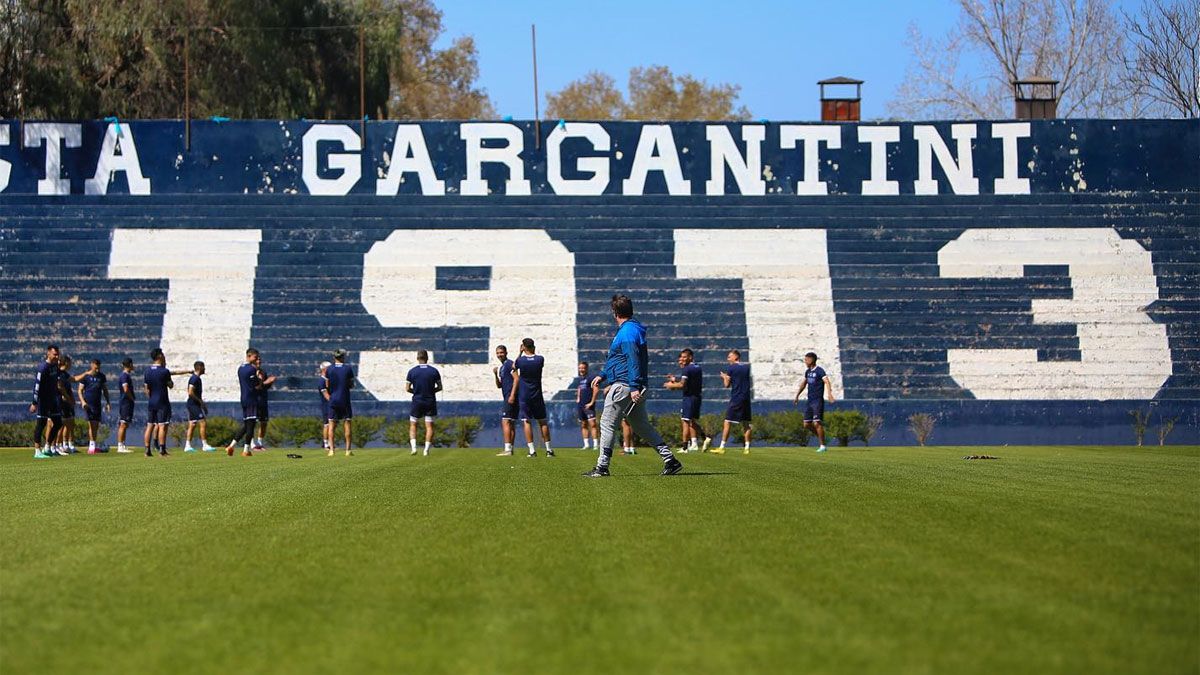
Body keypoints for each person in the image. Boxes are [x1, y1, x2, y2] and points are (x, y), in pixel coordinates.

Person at [583, 294, 682, 477]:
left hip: (624, 385)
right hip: (632, 384)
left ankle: (602, 467)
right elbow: (618, 359)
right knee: (642, 425)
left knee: (606, 423)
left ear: (615, 312)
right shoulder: (631, 329)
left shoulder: (627, 332)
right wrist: (603, 375)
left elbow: (632, 359)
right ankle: (670, 460)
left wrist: (634, 385)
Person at [508, 338, 552, 458]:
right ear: (533, 347)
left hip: (524, 395)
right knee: (542, 421)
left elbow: (513, 366)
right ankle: (549, 450)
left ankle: (532, 451)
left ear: (523, 347)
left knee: (526, 421)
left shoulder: (521, 361)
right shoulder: (540, 359)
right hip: (537, 394)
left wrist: (520, 352)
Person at [664, 348, 710, 454]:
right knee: (692, 422)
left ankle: (685, 447)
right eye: (681, 357)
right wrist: (675, 381)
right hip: (697, 397)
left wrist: (671, 385)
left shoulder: (687, 369)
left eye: (684, 357)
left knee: (685, 421)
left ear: (690, 357)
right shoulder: (697, 367)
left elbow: (682, 385)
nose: (682, 359)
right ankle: (704, 438)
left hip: (689, 398)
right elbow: (689, 383)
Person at [793, 352, 836, 453]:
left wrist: (829, 394)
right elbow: (804, 384)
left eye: (806, 359)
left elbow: (827, 381)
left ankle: (823, 446)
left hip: (817, 401)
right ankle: (825, 438)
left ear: (812, 360)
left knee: (817, 423)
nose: (805, 361)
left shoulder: (819, 371)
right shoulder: (807, 372)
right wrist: (797, 395)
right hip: (810, 401)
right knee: (806, 424)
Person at [29, 344, 63, 459]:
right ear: (48, 353)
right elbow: (37, 385)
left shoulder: (55, 366)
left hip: (53, 399)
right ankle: (37, 451)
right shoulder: (43, 368)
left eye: (58, 354)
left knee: (58, 423)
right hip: (43, 400)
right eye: (55, 354)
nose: (57, 356)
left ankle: (47, 447)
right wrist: (34, 402)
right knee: (41, 424)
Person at [716, 349, 753, 455]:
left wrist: (724, 377)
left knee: (727, 421)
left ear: (735, 357)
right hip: (746, 398)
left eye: (729, 357)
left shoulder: (731, 368)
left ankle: (722, 447)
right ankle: (747, 448)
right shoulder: (746, 367)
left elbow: (727, 385)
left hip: (736, 397)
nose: (728, 359)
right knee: (746, 423)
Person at [406, 350, 442, 456]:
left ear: (417, 358)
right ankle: (426, 450)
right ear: (427, 358)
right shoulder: (434, 371)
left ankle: (414, 448)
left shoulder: (412, 371)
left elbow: (407, 388)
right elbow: (440, 387)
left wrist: (417, 392)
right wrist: (430, 391)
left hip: (417, 400)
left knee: (413, 424)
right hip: (430, 400)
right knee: (429, 426)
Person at [226, 348, 261, 457]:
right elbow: (257, 384)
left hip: (244, 398)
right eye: (255, 357)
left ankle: (231, 446)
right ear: (249, 356)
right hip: (251, 399)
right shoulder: (251, 369)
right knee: (251, 425)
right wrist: (259, 378)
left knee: (246, 425)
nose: (256, 360)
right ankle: (246, 450)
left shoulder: (240, 368)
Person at [143, 348, 175, 457]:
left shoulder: (147, 371)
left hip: (151, 401)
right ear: (160, 356)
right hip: (162, 401)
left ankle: (147, 450)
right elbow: (170, 385)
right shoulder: (164, 371)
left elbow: (146, 389)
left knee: (150, 425)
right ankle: (162, 449)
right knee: (162, 426)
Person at [76, 359, 111, 454]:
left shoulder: (101, 376)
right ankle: (91, 447)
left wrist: (108, 402)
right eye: (96, 367)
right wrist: (83, 402)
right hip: (88, 404)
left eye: (98, 367)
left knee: (96, 424)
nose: (97, 369)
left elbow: (105, 390)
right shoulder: (86, 377)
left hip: (97, 403)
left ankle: (93, 445)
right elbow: (80, 390)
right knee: (91, 424)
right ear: (92, 365)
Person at [325, 348, 355, 457]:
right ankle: (348, 450)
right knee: (347, 423)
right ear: (343, 357)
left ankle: (331, 450)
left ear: (334, 357)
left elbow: (327, 385)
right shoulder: (348, 369)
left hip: (333, 399)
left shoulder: (329, 369)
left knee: (331, 424)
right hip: (345, 399)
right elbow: (351, 384)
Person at [184, 361, 215, 452]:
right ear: (200, 367)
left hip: (194, 404)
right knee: (203, 422)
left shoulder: (197, 378)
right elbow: (190, 392)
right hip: (193, 404)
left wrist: (201, 403)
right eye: (203, 367)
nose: (204, 369)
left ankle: (187, 445)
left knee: (192, 424)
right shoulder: (194, 378)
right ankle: (204, 445)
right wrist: (200, 401)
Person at [493, 345, 518, 456]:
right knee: (510, 423)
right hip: (507, 396)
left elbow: (517, 379)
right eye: (498, 353)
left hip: (510, 397)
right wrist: (495, 374)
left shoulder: (509, 364)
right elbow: (499, 385)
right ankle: (510, 449)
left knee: (506, 421)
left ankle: (507, 449)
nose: (499, 355)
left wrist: (512, 395)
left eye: (501, 352)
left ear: (506, 352)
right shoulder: (502, 367)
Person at [572, 361, 600, 450]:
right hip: (581, 405)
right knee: (583, 424)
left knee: (593, 424)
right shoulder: (580, 379)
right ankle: (586, 444)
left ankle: (596, 444)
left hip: (589, 405)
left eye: (583, 368)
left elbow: (596, 389)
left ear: (587, 368)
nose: (581, 369)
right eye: (580, 368)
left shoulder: (591, 377)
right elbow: (579, 388)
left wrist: (592, 402)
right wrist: (578, 398)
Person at [253, 355, 277, 451]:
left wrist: (270, 382)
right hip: (254, 400)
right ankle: (251, 444)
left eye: (260, 360)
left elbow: (264, 387)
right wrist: (267, 382)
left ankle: (259, 443)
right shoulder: (251, 372)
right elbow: (256, 387)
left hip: (263, 400)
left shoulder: (263, 372)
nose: (259, 361)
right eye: (257, 359)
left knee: (264, 422)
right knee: (252, 423)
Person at [56, 355, 78, 454]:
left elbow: (74, 380)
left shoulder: (65, 374)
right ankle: (58, 445)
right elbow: (60, 387)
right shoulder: (60, 374)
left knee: (69, 423)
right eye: (69, 363)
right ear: (66, 363)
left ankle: (65, 445)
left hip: (68, 403)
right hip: (62, 403)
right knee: (61, 424)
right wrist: (67, 397)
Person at [115, 357, 135, 453]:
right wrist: (131, 398)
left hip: (127, 402)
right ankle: (120, 445)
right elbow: (126, 389)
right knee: (123, 424)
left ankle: (122, 444)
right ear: (130, 365)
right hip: (125, 402)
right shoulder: (124, 376)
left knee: (125, 424)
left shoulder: (127, 375)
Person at [318, 362, 333, 454]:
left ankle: (330, 444)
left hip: (330, 405)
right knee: (327, 424)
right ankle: (325, 444)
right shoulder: (322, 381)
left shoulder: (328, 380)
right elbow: (326, 395)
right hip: (326, 406)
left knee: (331, 424)